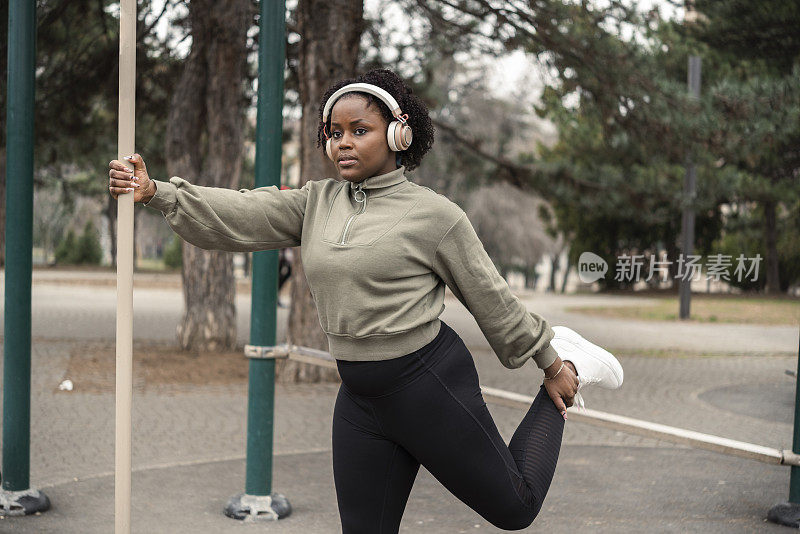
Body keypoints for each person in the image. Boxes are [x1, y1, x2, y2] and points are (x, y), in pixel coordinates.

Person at [107, 68, 623, 532]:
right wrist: (158, 193)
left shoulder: (435, 216)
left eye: (360, 130)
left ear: (399, 134)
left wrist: (551, 361)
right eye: (334, 133)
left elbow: (491, 299)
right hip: (360, 397)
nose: (342, 144)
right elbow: (244, 213)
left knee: (516, 509)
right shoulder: (319, 202)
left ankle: (576, 358)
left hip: (428, 384)